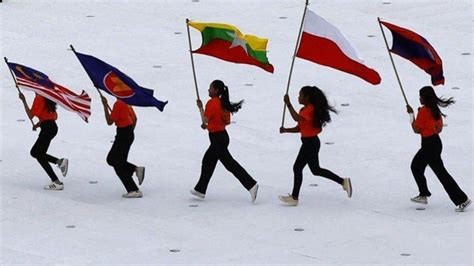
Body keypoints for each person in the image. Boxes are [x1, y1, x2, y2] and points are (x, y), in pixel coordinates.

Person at [279, 86, 352, 206]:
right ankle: (343, 181)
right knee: (316, 170)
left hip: (310, 143)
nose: (298, 97)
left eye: (300, 95)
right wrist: (286, 130)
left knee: (297, 168)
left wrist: (288, 104)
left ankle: (294, 197)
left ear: (307, 97)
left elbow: (296, 118)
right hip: (311, 143)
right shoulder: (305, 109)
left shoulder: (309, 109)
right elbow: (300, 127)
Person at [191, 80, 259, 202]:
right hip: (222, 137)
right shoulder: (223, 103)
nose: (208, 90)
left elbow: (205, 120)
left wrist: (201, 108)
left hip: (217, 139)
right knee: (212, 163)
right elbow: (225, 121)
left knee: (222, 164)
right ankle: (200, 190)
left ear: (216, 90)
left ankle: (251, 185)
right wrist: (211, 124)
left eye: (210, 88)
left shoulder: (212, 103)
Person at [407, 86, 470, 212]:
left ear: (425, 97)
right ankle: (459, 199)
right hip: (435, 143)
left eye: (421, 96)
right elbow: (439, 128)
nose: (419, 98)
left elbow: (416, 129)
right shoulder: (435, 109)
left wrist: (411, 115)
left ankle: (425, 195)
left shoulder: (424, 111)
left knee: (418, 167)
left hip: (428, 145)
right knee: (435, 171)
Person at [19, 92, 68, 190]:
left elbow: (30, 115)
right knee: (35, 153)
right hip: (51, 127)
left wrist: (23, 100)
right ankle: (59, 162)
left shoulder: (39, 97)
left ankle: (56, 181)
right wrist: (39, 124)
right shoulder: (47, 96)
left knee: (38, 154)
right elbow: (49, 115)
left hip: (48, 129)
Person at [101, 95, 145, 198]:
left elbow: (109, 121)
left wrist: (104, 105)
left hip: (123, 135)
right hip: (127, 133)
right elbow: (135, 119)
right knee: (114, 160)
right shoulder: (126, 102)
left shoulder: (118, 104)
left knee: (116, 161)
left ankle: (133, 188)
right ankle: (135, 170)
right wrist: (129, 132)